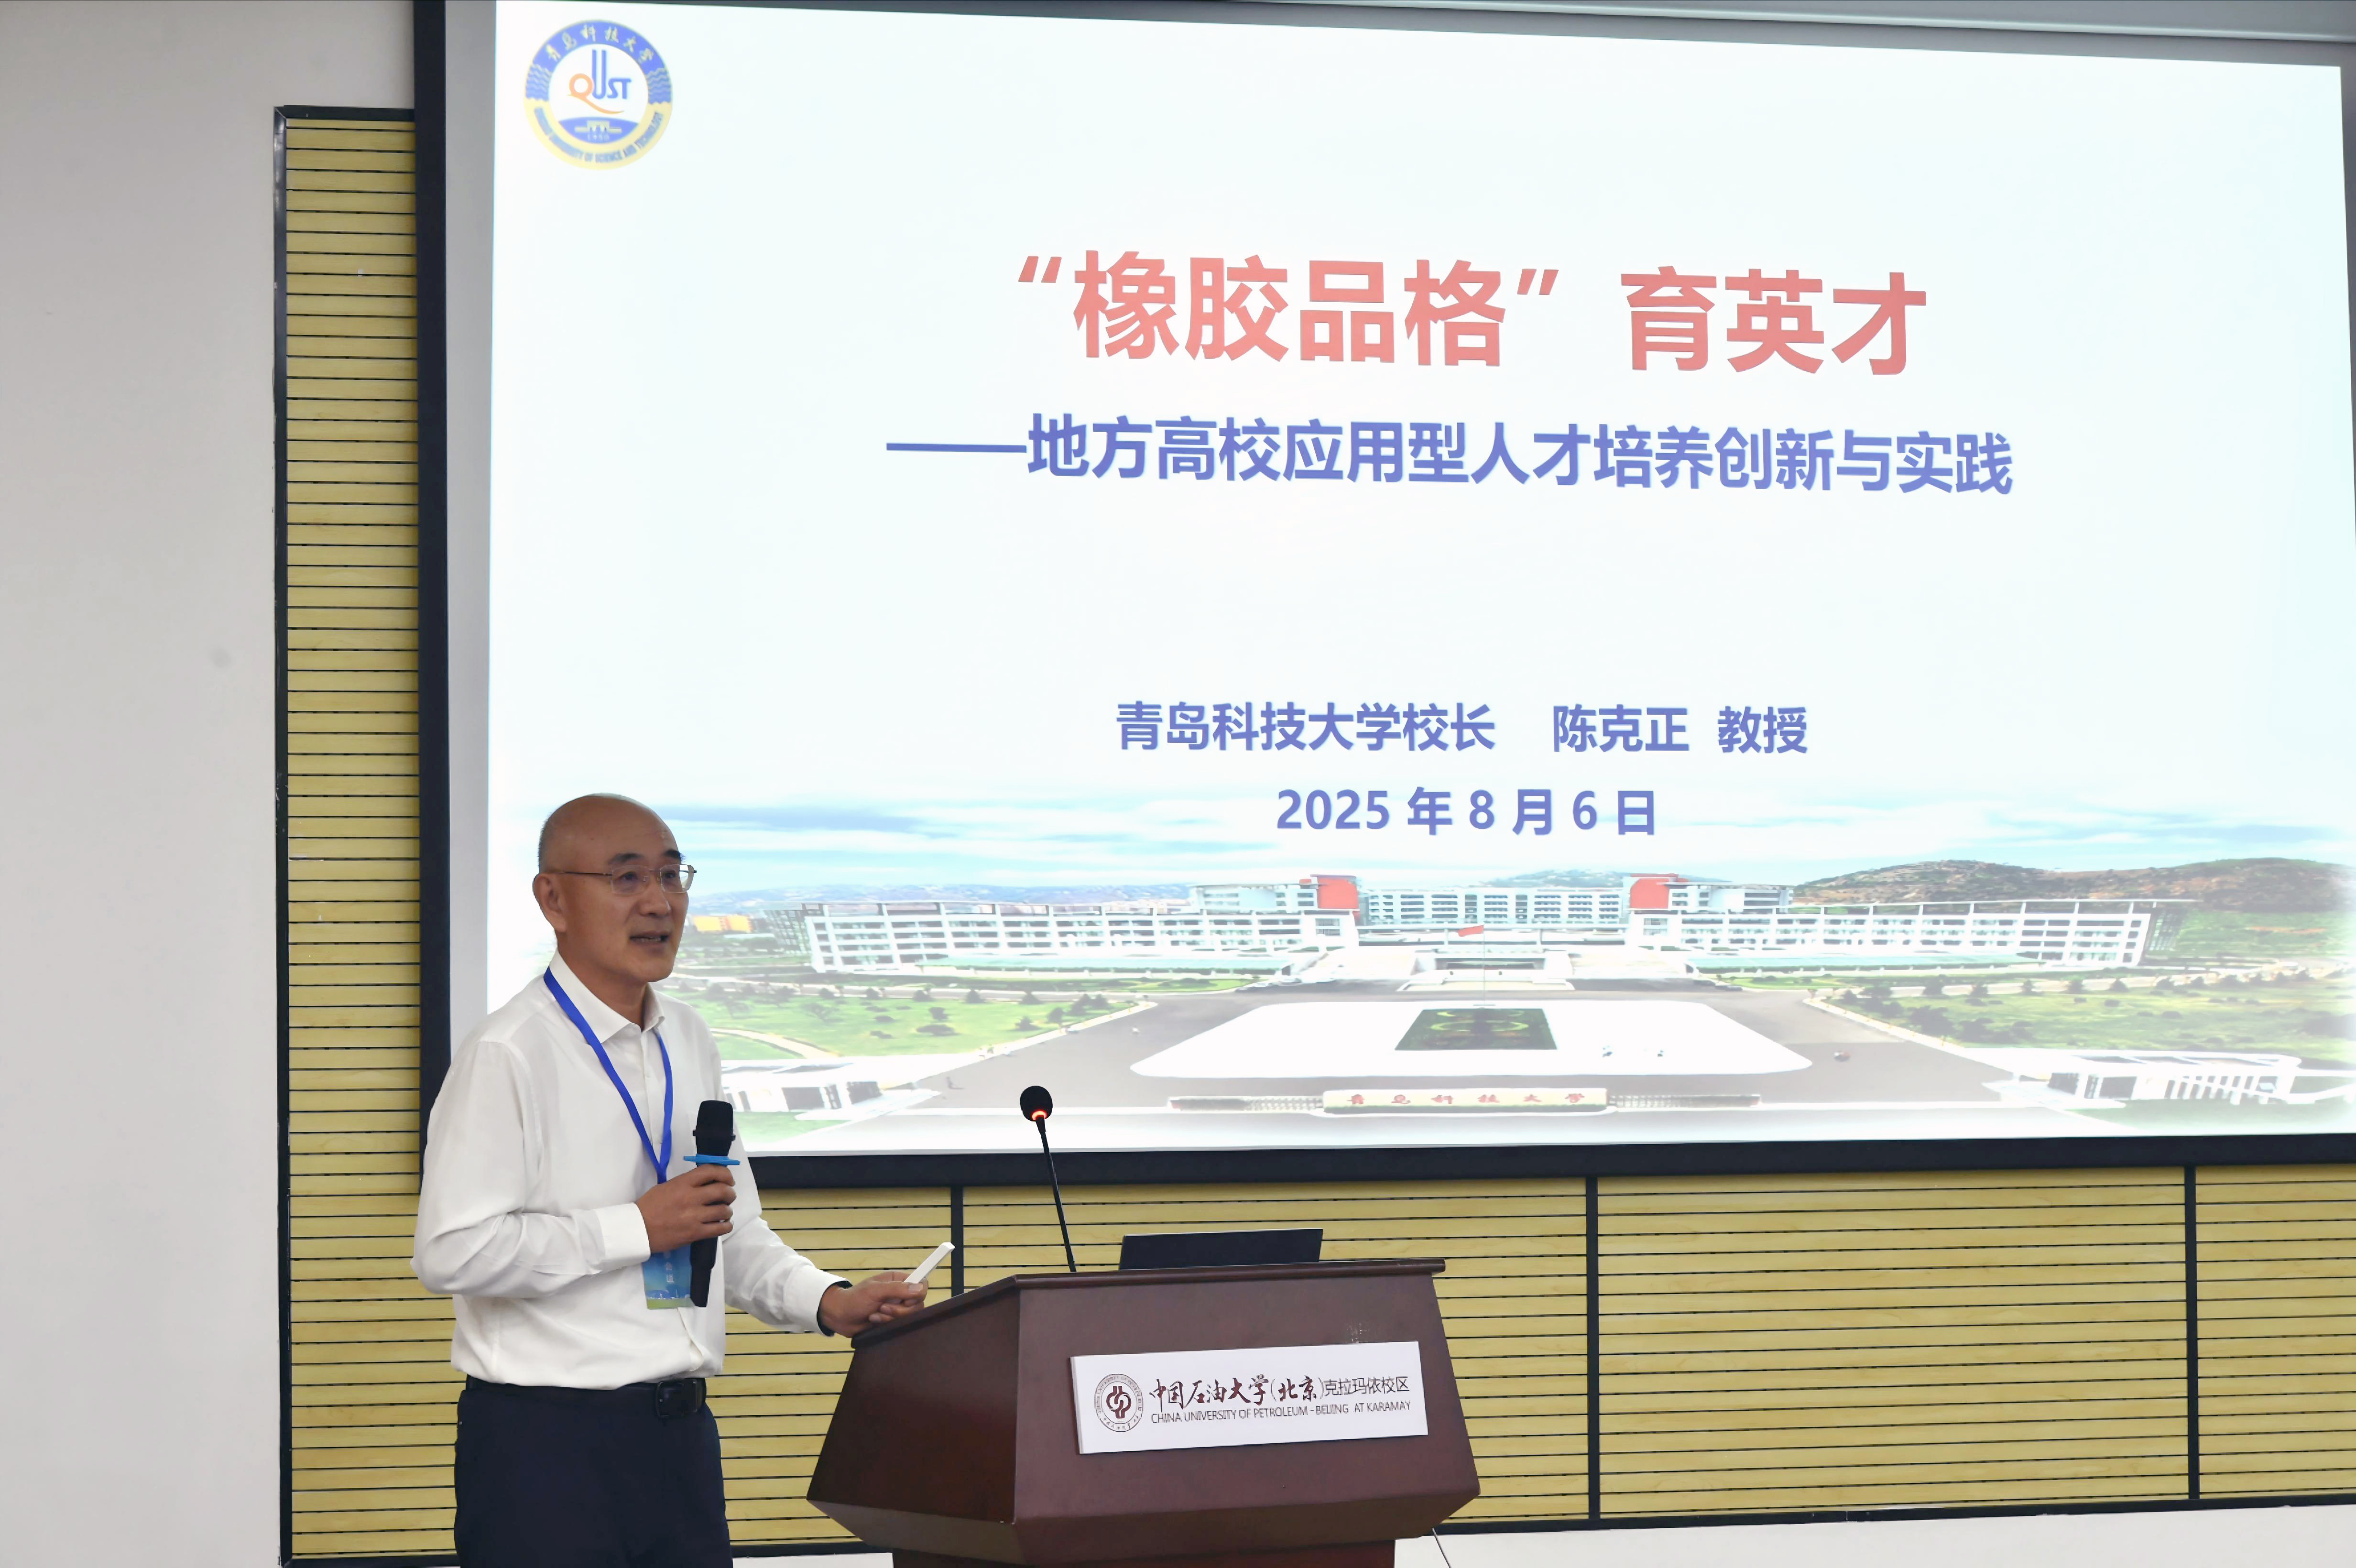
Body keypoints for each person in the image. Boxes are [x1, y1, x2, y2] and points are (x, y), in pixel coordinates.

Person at [414, 793, 926, 1567]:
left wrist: (829, 1300)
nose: (659, 903)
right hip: (544, 1450)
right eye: (626, 878)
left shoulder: (688, 1037)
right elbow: (452, 1252)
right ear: (553, 899)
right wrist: (637, 1228)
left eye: (671, 875)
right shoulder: (509, 1053)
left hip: (677, 1441)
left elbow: (729, 1229)